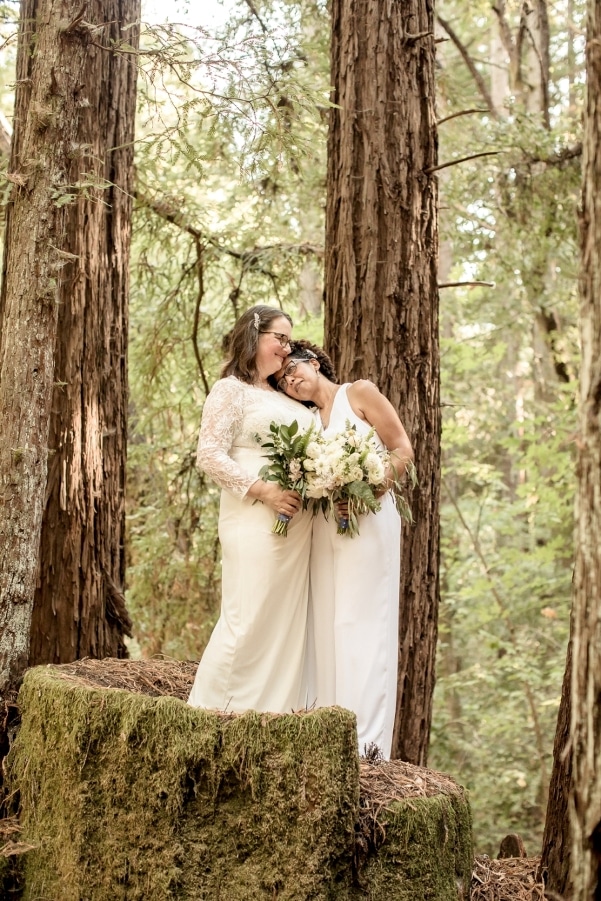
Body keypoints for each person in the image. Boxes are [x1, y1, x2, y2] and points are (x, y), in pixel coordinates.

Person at [274, 341, 414, 758]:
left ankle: (366, 746)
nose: (291, 380)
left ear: (313, 363)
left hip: (367, 520)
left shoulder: (360, 393)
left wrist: (369, 488)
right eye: (283, 380)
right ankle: (328, 737)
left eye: (293, 369)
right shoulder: (305, 419)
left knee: (363, 623)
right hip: (324, 529)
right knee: (328, 623)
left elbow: (403, 450)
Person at [187, 306, 315, 714]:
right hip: (255, 516)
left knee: (283, 620)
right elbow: (208, 454)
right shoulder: (231, 390)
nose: (286, 347)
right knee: (249, 615)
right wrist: (264, 491)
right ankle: (214, 712)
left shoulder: (283, 394)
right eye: (280, 338)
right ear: (254, 337)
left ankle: (268, 716)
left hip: (297, 525)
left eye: (289, 340)